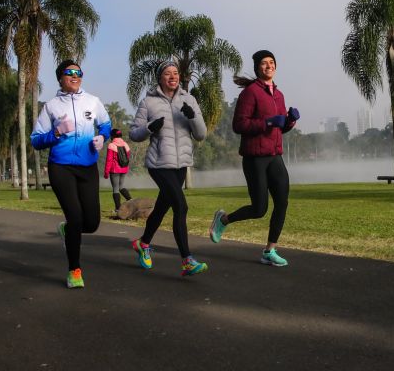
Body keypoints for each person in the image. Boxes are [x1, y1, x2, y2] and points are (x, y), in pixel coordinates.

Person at [209, 50, 300, 266]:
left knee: (282, 202)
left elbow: (279, 129)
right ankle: (223, 219)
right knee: (259, 209)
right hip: (254, 158)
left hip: (275, 155)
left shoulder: (278, 95)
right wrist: (267, 122)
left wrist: (290, 122)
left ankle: (269, 251)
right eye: (264, 63)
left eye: (271, 62)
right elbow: (239, 125)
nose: (268, 66)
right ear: (257, 68)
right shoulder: (250, 93)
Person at [31, 60, 111, 288]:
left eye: (79, 72)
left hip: (87, 168)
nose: (75, 76)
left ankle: (67, 230)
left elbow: (105, 124)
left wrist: (102, 138)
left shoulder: (93, 102)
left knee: (92, 223)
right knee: (75, 217)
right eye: (70, 72)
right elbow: (36, 140)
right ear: (60, 78)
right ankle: (74, 270)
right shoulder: (52, 106)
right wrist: (55, 133)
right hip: (61, 167)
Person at [129, 60, 208, 276]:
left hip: (181, 164)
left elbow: (201, 134)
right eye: (167, 73)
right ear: (160, 78)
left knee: (163, 207)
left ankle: (143, 243)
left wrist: (192, 116)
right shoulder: (148, 103)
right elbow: (134, 133)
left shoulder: (189, 99)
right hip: (159, 164)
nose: (173, 76)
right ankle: (187, 260)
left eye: (175, 73)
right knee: (181, 207)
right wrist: (149, 128)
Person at [104, 128, 133, 213]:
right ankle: (131, 200)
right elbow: (127, 157)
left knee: (116, 189)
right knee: (121, 187)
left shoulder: (111, 145)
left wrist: (106, 172)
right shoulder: (125, 144)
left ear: (112, 136)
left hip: (115, 170)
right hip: (124, 169)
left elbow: (109, 160)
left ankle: (118, 209)